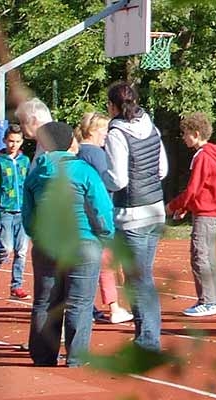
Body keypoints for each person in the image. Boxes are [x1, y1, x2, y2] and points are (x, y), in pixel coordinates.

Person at [24, 122, 113, 367]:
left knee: (45, 301)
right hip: (82, 242)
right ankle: (76, 358)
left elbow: (28, 218)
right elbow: (101, 209)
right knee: (80, 303)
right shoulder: (84, 171)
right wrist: (105, 235)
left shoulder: (35, 175)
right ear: (68, 142)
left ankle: (43, 356)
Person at [103, 81, 168, 351]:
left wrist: (100, 177)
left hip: (132, 215)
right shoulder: (150, 127)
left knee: (138, 280)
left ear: (114, 106)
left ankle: (148, 340)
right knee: (141, 277)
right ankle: (146, 335)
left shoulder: (117, 133)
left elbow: (117, 179)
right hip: (155, 211)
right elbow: (162, 169)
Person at [168, 112, 216, 318]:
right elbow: (199, 189)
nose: (183, 137)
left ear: (196, 133)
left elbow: (193, 188)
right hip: (209, 210)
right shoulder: (209, 154)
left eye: (185, 134)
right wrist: (185, 208)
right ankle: (213, 300)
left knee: (200, 255)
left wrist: (173, 205)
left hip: (207, 211)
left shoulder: (202, 156)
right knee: (207, 256)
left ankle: (208, 301)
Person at [76, 112, 132, 324]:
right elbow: (109, 181)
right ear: (93, 131)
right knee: (105, 261)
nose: (107, 135)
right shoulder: (95, 153)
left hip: (83, 214)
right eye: (104, 131)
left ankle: (88, 306)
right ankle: (114, 307)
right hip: (99, 213)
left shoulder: (79, 152)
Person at [0, 125, 31, 298]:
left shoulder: (25, 161)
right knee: (6, 248)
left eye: (17, 141)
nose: (14, 145)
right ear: (4, 140)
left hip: (23, 211)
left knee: (22, 251)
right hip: (5, 211)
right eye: (11, 141)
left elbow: (29, 185)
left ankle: (16, 286)